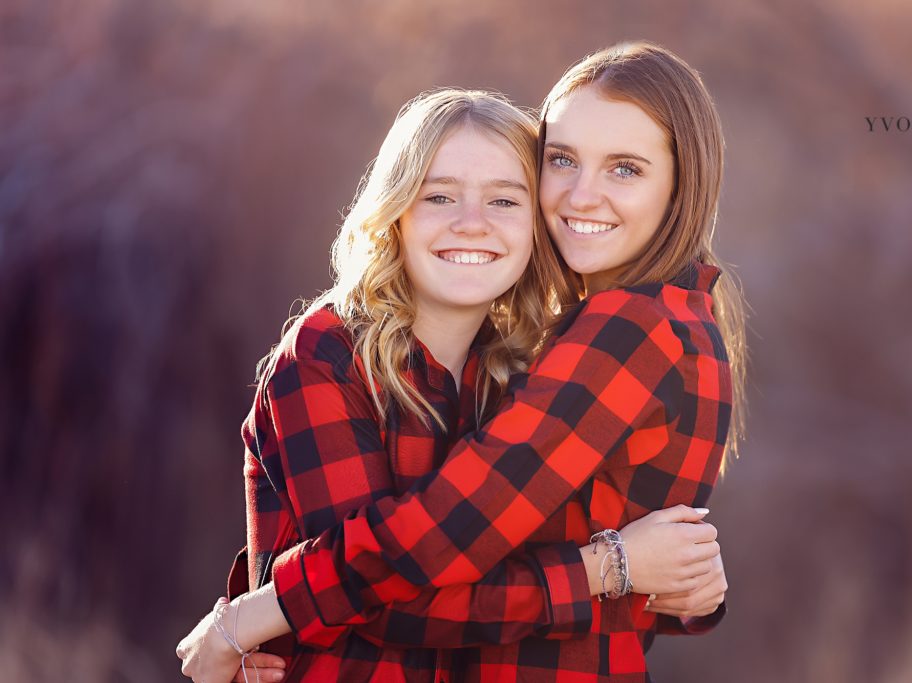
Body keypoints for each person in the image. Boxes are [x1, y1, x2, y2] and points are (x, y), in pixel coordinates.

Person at [179, 81, 730, 682]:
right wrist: (608, 568)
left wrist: (692, 582)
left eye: (504, 201)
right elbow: (390, 601)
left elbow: (606, 540)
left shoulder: (521, 371)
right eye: (439, 197)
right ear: (395, 211)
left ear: (536, 224)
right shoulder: (327, 356)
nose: (471, 224)